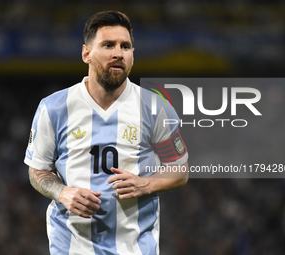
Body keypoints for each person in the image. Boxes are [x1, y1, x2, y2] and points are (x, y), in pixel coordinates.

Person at [24, 10, 189, 255]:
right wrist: (62, 192)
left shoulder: (155, 107)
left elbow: (180, 169)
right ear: (86, 53)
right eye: (108, 45)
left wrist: (146, 185)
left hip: (135, 248)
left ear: (133, 56)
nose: (118, 53)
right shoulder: (54, 108)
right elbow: (37, 169)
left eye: (126, 46)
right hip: (71, 247)